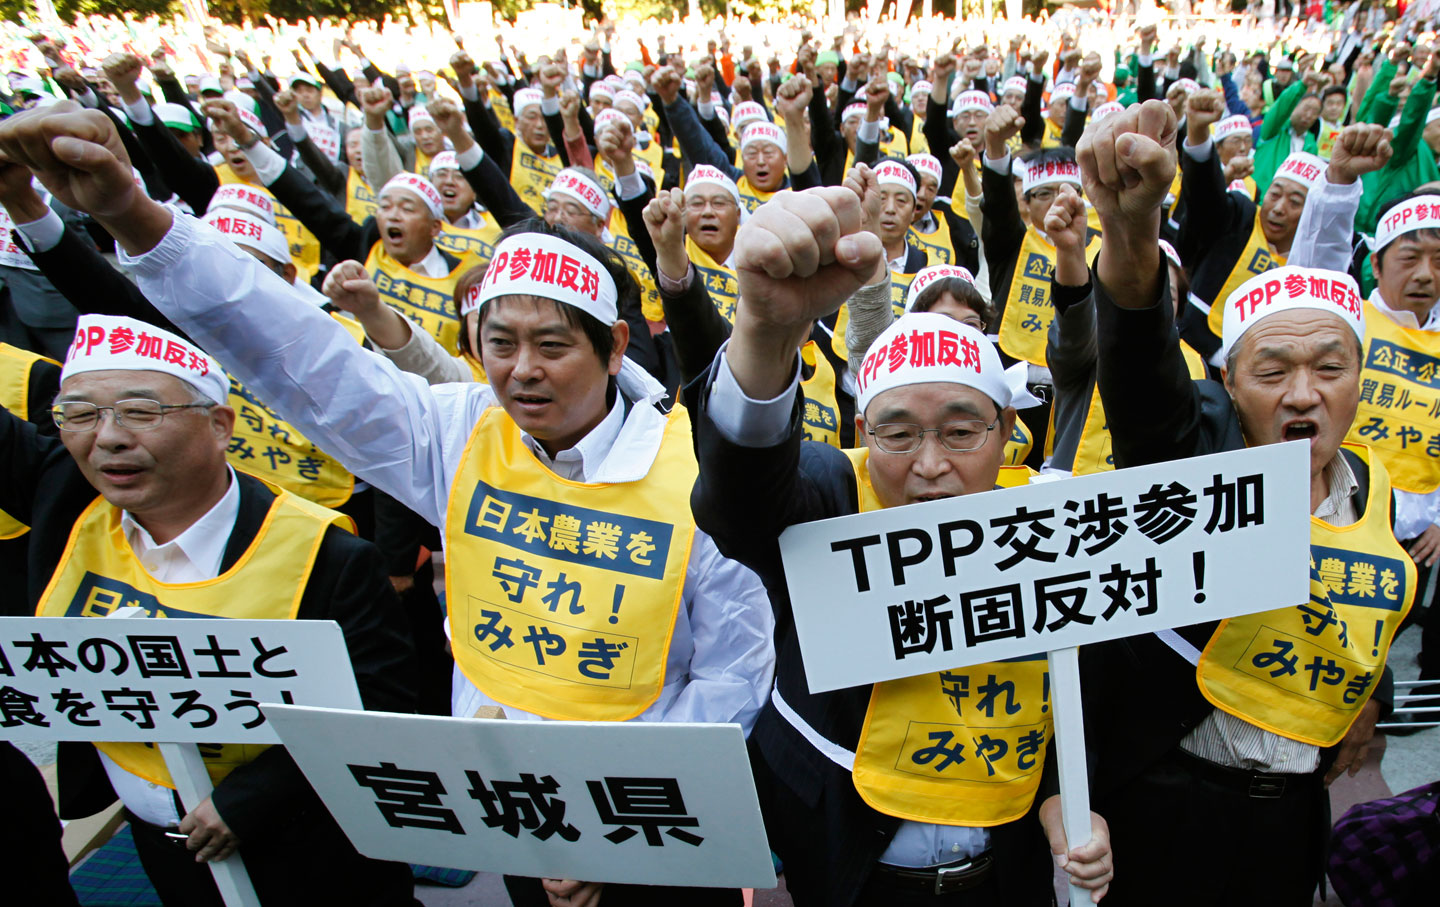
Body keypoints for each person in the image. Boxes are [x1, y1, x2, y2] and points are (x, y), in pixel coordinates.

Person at [1, 100, 775, 907]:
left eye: (552, 346)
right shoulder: (460, 432)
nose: (521, 372)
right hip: (515, 809)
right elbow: (304, 356)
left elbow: (732, 672)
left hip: (651, 827)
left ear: (615, 346)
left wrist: (601, 826)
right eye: (499, 344)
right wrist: (137, 218)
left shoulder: (694, 468)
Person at [683, 183, 1112, 906]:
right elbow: (742, 494)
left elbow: (1068, 701)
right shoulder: (829, 496)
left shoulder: (1050, 529)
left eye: (960, 429)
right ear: (860, 433)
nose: (931, 464)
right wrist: (763, 331)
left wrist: (1068, 807)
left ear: (1007, 431)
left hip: (996, 869)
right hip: (848, 859)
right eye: (900, 432)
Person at [1078, 98, 1408, 906]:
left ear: (1361, 378)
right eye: (1272, 372)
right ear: (1229, 381)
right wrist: (1129, 231)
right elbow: (1142, 370)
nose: (1303, 395)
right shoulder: (1197, 457)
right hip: (1168, 804)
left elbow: (1362, 612)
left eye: (1329, 369)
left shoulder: (1372, 487)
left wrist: (1368, 700)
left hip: (1292, 816)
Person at [0, 307, 419, 905]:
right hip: (158, 832)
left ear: (220, 425)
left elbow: (378, 708)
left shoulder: (327, 554)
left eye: (141, 412)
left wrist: (246, 801)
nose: (109, 436)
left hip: (307, 834)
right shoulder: (64, 499)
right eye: (80, 414)